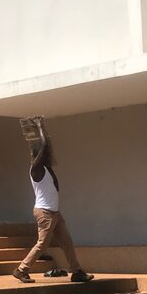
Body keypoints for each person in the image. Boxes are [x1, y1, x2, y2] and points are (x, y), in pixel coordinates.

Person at [13, 122, 94, 284]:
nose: (47, 156)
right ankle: (21, 270)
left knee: (66, 242)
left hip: (55, 212)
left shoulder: (47, 168)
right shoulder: (35, 169)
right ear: (39, 157)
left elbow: (46, 148)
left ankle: (77, 271)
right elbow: (43, 146)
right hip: (45, 212)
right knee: (42, 244)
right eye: (43, 155)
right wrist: (40, 128)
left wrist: (44, 134)